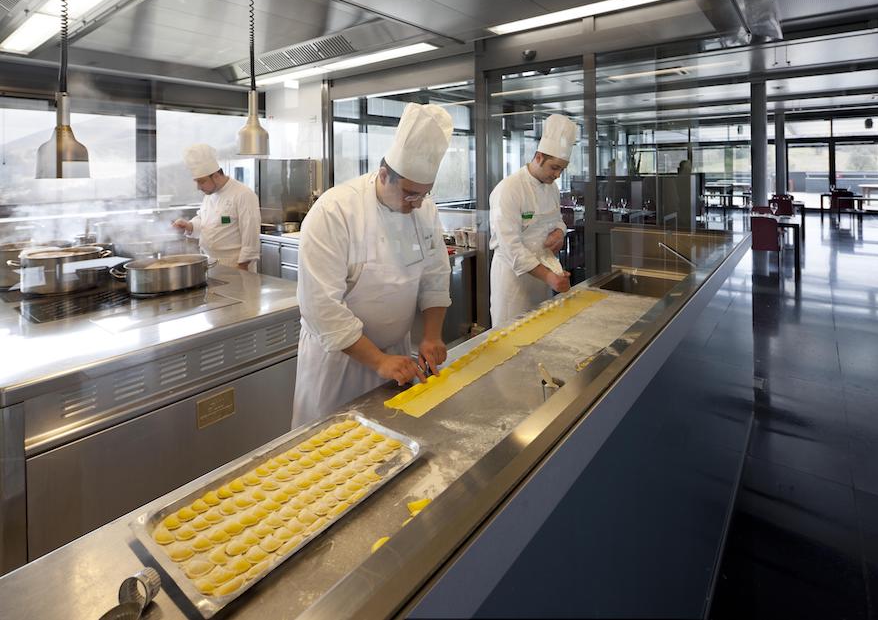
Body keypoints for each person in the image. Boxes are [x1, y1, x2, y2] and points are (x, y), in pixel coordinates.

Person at [291, 103, 454, 428]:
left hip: (396, 356)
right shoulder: (335, 212)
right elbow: (322, 308)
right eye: (409, 194)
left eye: (423, 195)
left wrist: (432, 337)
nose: (416, 204)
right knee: (331, 454)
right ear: (384, 175)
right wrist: (377, 361)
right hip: (338, 362)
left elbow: (435, 276)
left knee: (390, 446)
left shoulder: (424, 210)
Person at [489, 114, 577, 327]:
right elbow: (512, 247)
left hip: (544, 276)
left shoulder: (552, 188)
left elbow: (557, 220)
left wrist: (559, 232)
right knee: (510, 341)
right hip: (513, 282)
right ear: (538, 157)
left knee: (540, 332)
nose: (557, 175)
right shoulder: (509, 190)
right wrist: (549, 277)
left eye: (561, 169)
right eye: (554, 168)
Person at [172, 144, 261, 272]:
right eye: (196, 182)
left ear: (216, 176)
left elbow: (251, 236)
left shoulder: (243, 194)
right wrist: (189, 226)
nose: (198, 187)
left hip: (235, 266)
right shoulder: (209, 194)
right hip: (210, 264)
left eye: (201, 181)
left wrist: (242, 269)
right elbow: (205, 221)